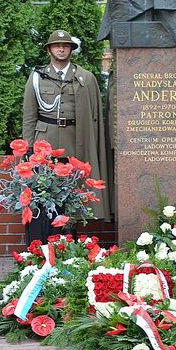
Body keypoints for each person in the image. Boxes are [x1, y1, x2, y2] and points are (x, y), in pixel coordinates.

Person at [22, 30, 110, 242]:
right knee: (44, 193)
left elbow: (95, 117)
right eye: (56, 46)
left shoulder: (85, 78)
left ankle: (68, 241)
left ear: (71, 49)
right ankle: (43, 243)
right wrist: (28, 148)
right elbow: (29, 115)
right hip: (45, 145)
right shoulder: (36, 78)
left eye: (65, 45)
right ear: (49, 50)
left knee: (72, 193)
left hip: (75, 143)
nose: (61, 49)